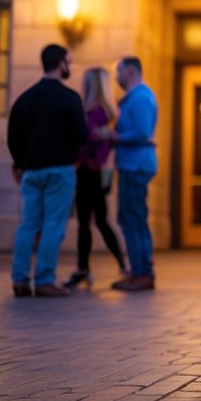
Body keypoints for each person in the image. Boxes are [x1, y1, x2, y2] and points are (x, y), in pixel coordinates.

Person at [7, 44, 87, 298]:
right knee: (54, 225)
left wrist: (19, 162)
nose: (70, 67)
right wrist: (73, 156)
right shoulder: (70, 98)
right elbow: (81, 135)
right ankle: (44, 279)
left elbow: (12, 137)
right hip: (60, 170)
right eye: (68, 62)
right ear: (61, 63)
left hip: (31, 171)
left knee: (28, 225)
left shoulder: (25, 99)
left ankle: (19, 279)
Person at [64, 67, 127, 290]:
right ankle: (117, 264)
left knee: (88, 222)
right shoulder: (110, 113)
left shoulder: (91, 113)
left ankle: (85, 268)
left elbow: (84, 143)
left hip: (88, 172)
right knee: (99, 220)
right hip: (101, 172)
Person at [109, 56, 159, 292]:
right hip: (132, 164)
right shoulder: (136, 97)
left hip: (135, 165)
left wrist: (114, 136)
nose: (116, 77)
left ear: (129, 72)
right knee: (130, 219)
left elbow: (142, 131)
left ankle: (142, 272)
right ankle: (138, 270)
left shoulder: (140, 97)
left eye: (118, 72)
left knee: (134, 220)